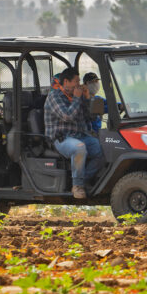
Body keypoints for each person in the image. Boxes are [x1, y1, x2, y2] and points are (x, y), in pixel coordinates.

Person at [44, 67, 103, 199]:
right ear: (66, 81)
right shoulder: (54, 97)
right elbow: (67, 116)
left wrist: (87, 99)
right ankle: (77, 186)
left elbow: (91, 118)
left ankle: (84, 179)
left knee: (102, 149)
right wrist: (77, 98)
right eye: (76, 82)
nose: (78, 84)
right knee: (79, 148)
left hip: (80, 135)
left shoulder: (78, 96)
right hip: (62, 138)